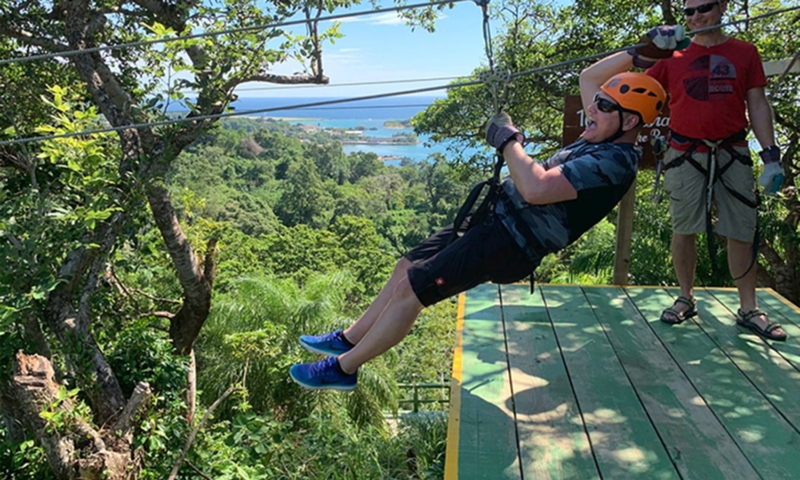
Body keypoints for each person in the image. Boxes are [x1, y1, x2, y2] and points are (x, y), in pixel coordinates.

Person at [289, 69, 667, 390]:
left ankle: (343, 370)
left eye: (603, 106)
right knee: (406, 266)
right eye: (596, 101)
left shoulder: (615, 161)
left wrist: (509, 141)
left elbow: (535, 188)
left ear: (629, 122)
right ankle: (349, 338)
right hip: (492, 220)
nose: (592, 109)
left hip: (508, 243)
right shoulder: (600, 136)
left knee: (412, 290)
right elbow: (588, 76)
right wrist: (644, 53)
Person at [586, 0, 786, 340]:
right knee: (684, 227)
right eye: (689, 12)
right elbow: (634, 92)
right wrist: (645, 51)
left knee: (742, 228)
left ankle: (749, 308)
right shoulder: (672, 57)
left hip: (732, 150)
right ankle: (685, 298)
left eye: (703, 7)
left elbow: (757, 103)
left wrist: (770, 156)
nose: (695, 17)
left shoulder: (745, 53)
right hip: (684, 151)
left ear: (722, 7)